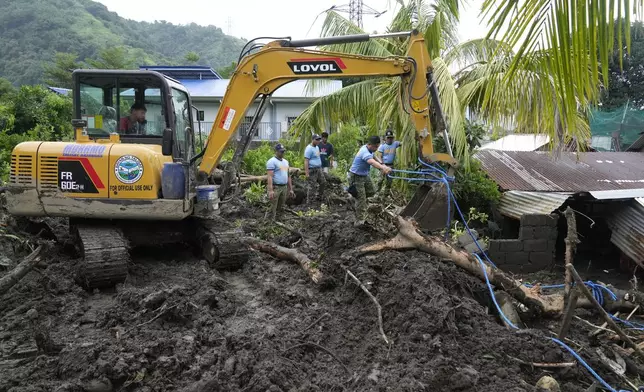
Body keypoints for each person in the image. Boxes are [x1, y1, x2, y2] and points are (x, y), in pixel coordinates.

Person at [349, 135, 393, 226]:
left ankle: (357, 200)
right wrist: (383, 168)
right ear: (370, 144)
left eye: (378, 146)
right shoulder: (364, 152)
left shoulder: (369, 149)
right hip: (356, 176)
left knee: (371, 192)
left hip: (364, 175)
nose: (377, 149)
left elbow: (374, 156)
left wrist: (382, 164)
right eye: (376, 147)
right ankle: (359, 221)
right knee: (361, 200)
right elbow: (371, 162)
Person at [265, 143, 295, 222]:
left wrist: (290, 189)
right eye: (281, 151)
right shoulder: (272, 162)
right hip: (276, 187)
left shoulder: (285, 162)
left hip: (284, 187)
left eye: (283, 151)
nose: (283, 153)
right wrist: (271, 190)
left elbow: (288, 176)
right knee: (272, 207)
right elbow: (270, 177)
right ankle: (268, 224)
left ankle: (278, 223)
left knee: (281, 206)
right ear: (276, 151)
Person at [375, 129, 402, 195]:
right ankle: (376, 194)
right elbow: (379, 156)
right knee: (380, 180)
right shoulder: (382, 146)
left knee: (389, 181)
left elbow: (403, 143)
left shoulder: (395, 144)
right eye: (388, 138)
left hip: (391, 165)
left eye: (391, 138)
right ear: (386, 138)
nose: (390, 139)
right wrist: (382, 165)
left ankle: (386, 195)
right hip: (383, 165)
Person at [304, 134, 326, 202]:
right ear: (313, 140)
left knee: (323, 182)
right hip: (312, 170)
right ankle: (310, 201)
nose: (318, 141)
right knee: (312, 186)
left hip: (318, 169)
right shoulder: (309, 149)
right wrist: (307, 173)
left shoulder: (317, 147)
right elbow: (306, 161)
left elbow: (317, 157)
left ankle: (319, 197)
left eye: (319, 139)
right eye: (316, 139)